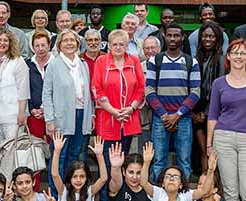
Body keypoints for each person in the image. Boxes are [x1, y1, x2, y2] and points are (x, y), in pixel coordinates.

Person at [206, 39, 246, 200]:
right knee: (230, 192)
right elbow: (213, 115)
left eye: (243, 53)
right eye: (235, 53)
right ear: (228, 56)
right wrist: (209, 144)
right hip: (223, 139)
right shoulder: (218, 83)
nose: (239, 57)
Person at [92, 29, 146, 201]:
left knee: (120, 163)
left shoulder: (134, 61)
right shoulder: (101, 61)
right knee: (106, 166)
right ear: (109, 45)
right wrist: (114, 111)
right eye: (114, 44)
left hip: (128, 121)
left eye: (121, 44)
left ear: (127, 45)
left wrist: (131, 108)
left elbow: (141, 89)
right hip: (108, 121)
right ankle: (104, 197)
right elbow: (97, 89)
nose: (117, 47)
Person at [42, 29, 95, 198]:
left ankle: (71, 193)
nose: (70, 43)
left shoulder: (83, 64)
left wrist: (91, 114)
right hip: (61, 118)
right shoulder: (54, 64)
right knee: (59, 155)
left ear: (78, 44)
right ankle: (57, 194)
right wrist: (49, 120)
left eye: (73, 40)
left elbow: (88, 93)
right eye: (66, 40)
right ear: (59, 45)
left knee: (74, 155)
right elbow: (47, 93)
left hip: (81, 115)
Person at [145, 23, 201, 181]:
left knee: (184, 162)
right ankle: (157, 195)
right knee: (158, 162)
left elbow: (196, 92)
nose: (173, 39)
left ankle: (184, 196)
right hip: (160, 119)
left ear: (182, 38)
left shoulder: (192, 62)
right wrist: (164, 115)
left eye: (176, 35)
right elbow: (149, 90)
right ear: (164, 36)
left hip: (183, 119)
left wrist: (177, 115)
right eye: (169, 35)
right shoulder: (155, 60)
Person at [0, 27, 30, 158]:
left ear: (11, 43)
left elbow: (23, 89)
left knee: (13, 154)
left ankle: (13, 179)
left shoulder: (18, 62)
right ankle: (0, 179)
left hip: (12, 117)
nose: (2, 43)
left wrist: (22, 113)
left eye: (6, 40)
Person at [193, 21, 227, 175]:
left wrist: (205, 113)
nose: (208, 39)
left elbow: (217, 90)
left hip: (214, 113)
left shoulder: (222, 59)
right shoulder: (196, 58)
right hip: (197, 112)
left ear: (218, 39)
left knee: (214, 152)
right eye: (205, 36)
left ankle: (215, 189)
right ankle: (205, 188)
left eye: (212, 36)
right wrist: (195, 113)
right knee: (203, 150)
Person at [140, 142, 218, 201]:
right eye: (167, 176)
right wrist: (146, 163)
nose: (171, 179)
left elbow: (204, 191)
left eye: (176, 177)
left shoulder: (185, 195)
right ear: (163, 183)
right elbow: (143, 183)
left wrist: (210, 170)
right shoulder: (158, 193)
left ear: (181, 184)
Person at [25, 32, 54, 192]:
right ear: (32, 47)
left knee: (55, 151)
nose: (41, 48)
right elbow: (23, 89)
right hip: (34, 115)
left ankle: (53, 187)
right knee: (34, 153)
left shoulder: (57, 63)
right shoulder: (27, 64)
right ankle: (34, 189)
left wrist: (48, 109)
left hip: (53, 116)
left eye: (43, 45)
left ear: (49, 45)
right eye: (37, 45)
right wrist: (31, 109)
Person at [51, 133, 108, 201]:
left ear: (86, 177)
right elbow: (55, 175)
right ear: (70, 177)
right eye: (74, 176)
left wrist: (99, 156)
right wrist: (57, 152)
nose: (78, 180)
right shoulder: (63, 191)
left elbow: (103, 179)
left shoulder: (90, 191)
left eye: (82, 176)